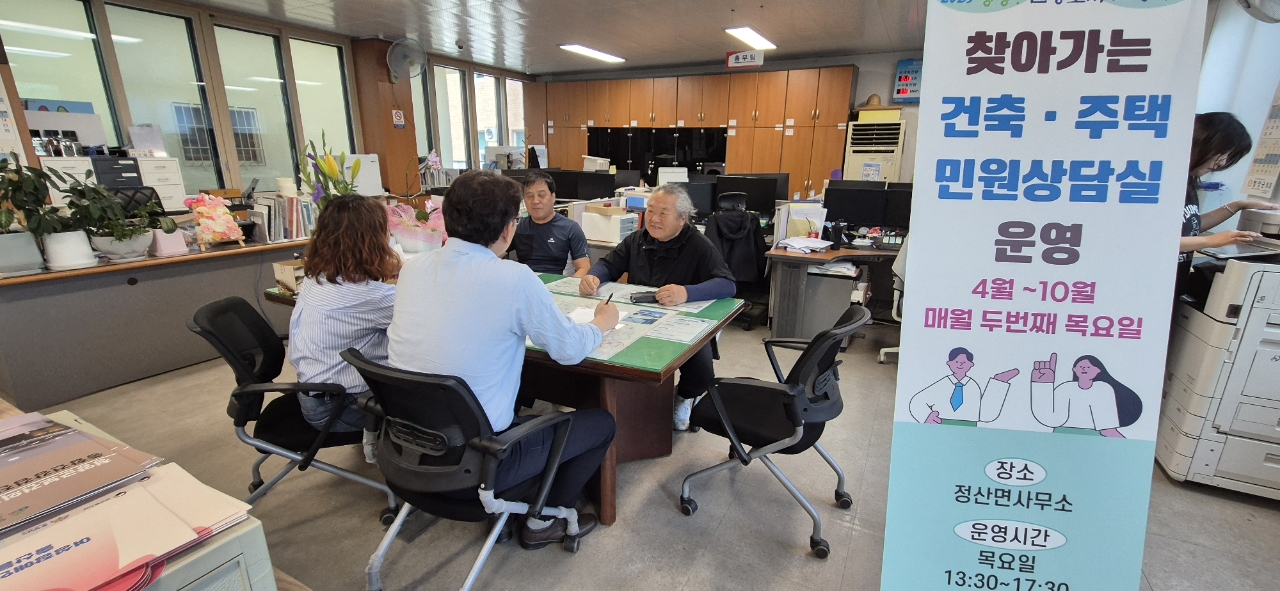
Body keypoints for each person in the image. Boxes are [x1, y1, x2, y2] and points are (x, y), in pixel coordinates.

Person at [387, 170, 618, 549]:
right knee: (600, 423)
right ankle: (543, 520)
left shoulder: (413, 270)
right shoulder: (513, 278)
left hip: (404, 451)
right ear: (510, 229)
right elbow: (569, 350)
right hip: (476, 464)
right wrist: (600, 324)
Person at [578, 183, 736, 430]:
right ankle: (614, 406)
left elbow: (728, 284)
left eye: (663, 213)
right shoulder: (637, 240)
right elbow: (609, 265)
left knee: (701, 373)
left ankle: (683, 397)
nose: (654, 218)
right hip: (638, 316)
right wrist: (594, 276)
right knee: (597, 350)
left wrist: (687, 292)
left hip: (682, 321)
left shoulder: (698, 244)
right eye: (650, 211)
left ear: (682, 218)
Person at [288, 194, 400, 463]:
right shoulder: (371, 297)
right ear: (374, 239)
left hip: (313, 394)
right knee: (441, 396)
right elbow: (428, 320)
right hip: (340, 408)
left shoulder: (317, 278)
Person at [1176, 112, 1279, 297]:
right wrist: (1210, 241)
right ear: (1202, 141)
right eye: (1222, 153)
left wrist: (1238, 205)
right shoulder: (1164, 182)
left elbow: (1190, 226)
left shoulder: (1190, 181)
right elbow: (1153, 242)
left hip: (1175, 284)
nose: (1222, 162)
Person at [1029, 353, 1141, 438]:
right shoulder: (1065, 388)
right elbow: (1050, 419)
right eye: (1081, 366)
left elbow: (1107, 430)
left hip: (1092, 439)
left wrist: (1128, 447)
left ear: (1098, 370)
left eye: (1089, 366)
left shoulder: (1103, 389)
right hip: (1061, 436)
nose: (1084, 368)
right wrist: (1042, 385)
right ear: (1074, 369)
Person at [908, 347, 1018, 426]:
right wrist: (926, 417)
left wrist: (998, 384)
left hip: (968, 428)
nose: (960, 364)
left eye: (964, 362)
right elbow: (917, 401)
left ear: (971, 365)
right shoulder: (943, 383)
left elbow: (984, 414)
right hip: (941, 424)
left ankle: (999, 381)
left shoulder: (973, 386)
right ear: (949, 363)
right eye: (956, 361)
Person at [508, 170, 590, 276]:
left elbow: (584, 268)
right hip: (525, 283)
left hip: (557, 284)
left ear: (553, 197)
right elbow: (493, 254)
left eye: (541, 195)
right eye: (529, 196)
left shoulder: (570, 229)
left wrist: (568, 287)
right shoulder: (518, 227)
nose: (535, 201)